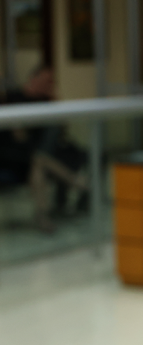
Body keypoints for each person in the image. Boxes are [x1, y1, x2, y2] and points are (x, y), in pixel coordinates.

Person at [0, 66, 88, 232]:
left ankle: (42, 216)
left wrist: (54, 100)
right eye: (47, 81)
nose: (50, 84)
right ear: (33, 79)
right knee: (39, 160)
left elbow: (62, 129)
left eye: (52, 82)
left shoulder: (45, 101)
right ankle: (79, 184)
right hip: (12, 154)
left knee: (38, 165)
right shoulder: (13, 97)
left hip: (34, 156)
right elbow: (18, 137)